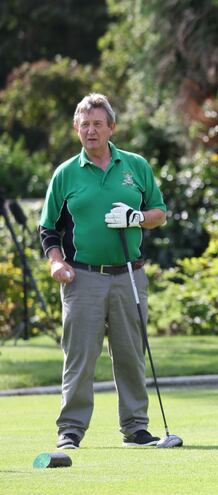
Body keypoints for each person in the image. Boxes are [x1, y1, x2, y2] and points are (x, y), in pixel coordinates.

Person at [38, 93, 167, 449]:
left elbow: (159, 212)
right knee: (80, 356)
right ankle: (71, 431)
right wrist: (56, 260)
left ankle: (136, 428)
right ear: (76, 129)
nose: (91, 130)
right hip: (83, 278)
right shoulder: (65, 174)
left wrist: (136, 217)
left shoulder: (136, 166)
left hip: (129, 274)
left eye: (97, 124)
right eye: (84, 124)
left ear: (112, 127)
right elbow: (49, 228)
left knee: (130, 353)